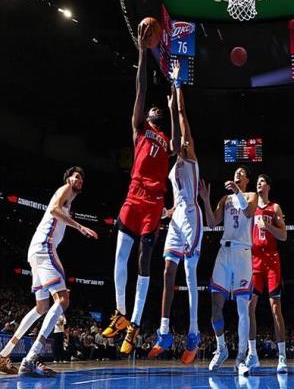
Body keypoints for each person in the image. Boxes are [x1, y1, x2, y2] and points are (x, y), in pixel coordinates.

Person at [102, 23, 180, 354]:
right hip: (133, 196)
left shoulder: (166, 139)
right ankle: (121, 313)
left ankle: (134, 324)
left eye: (159, 109)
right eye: (153, 108)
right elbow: (140, 89)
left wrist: (174, 102)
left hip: (154, 203)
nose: (155, 109)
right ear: (147, 113)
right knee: (120, 256)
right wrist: (142, 52)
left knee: (143, 263)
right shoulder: (139, 128)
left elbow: (179, 141)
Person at [0, 167, 98, 376]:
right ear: (68, 179)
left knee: (42, 307)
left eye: (81, 178)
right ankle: (31, 358)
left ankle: (4, 353)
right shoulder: (64, 190)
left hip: (37, 249)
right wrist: (80, 227)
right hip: (45, 246)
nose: (79, 179)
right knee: (63, 299)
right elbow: (54, 209)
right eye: (76, 176)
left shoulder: (68, 200)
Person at [148, 60, 204, 364]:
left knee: (189, 274)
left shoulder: (190, 154)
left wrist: (177, 84)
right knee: (168, 270)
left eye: (183, 137)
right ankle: (164, 331)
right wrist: (167, 212)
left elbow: (182, 116)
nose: (181, 139)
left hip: (193, 218)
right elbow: (173, 124)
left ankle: (194, 333)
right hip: (178, 217)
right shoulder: (173, 163)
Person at [199, 167, 258, 375]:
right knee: (216, 305)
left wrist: (237, 191)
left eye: (242, 173)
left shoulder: (251, 196)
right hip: (224, 252)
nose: (237, 174)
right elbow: (211, 222)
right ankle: (221, 348)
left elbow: (249, 212)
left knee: (243, 309)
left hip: (243, 253)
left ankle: (240, 358)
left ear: (247, 179)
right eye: (236, 172)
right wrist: (206, 200)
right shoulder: (225, 199)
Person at [245, 174, 288, 373]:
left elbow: (284, 235)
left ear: (268, 186)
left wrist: (268, 226)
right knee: (249, 307)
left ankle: (282, 357)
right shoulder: (251, 208)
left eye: (262, 182)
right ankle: (253, 355)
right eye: (257, 182)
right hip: (254, 260)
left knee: (275, 308)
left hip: (271, 260)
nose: (259, 184)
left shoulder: (275, 208)